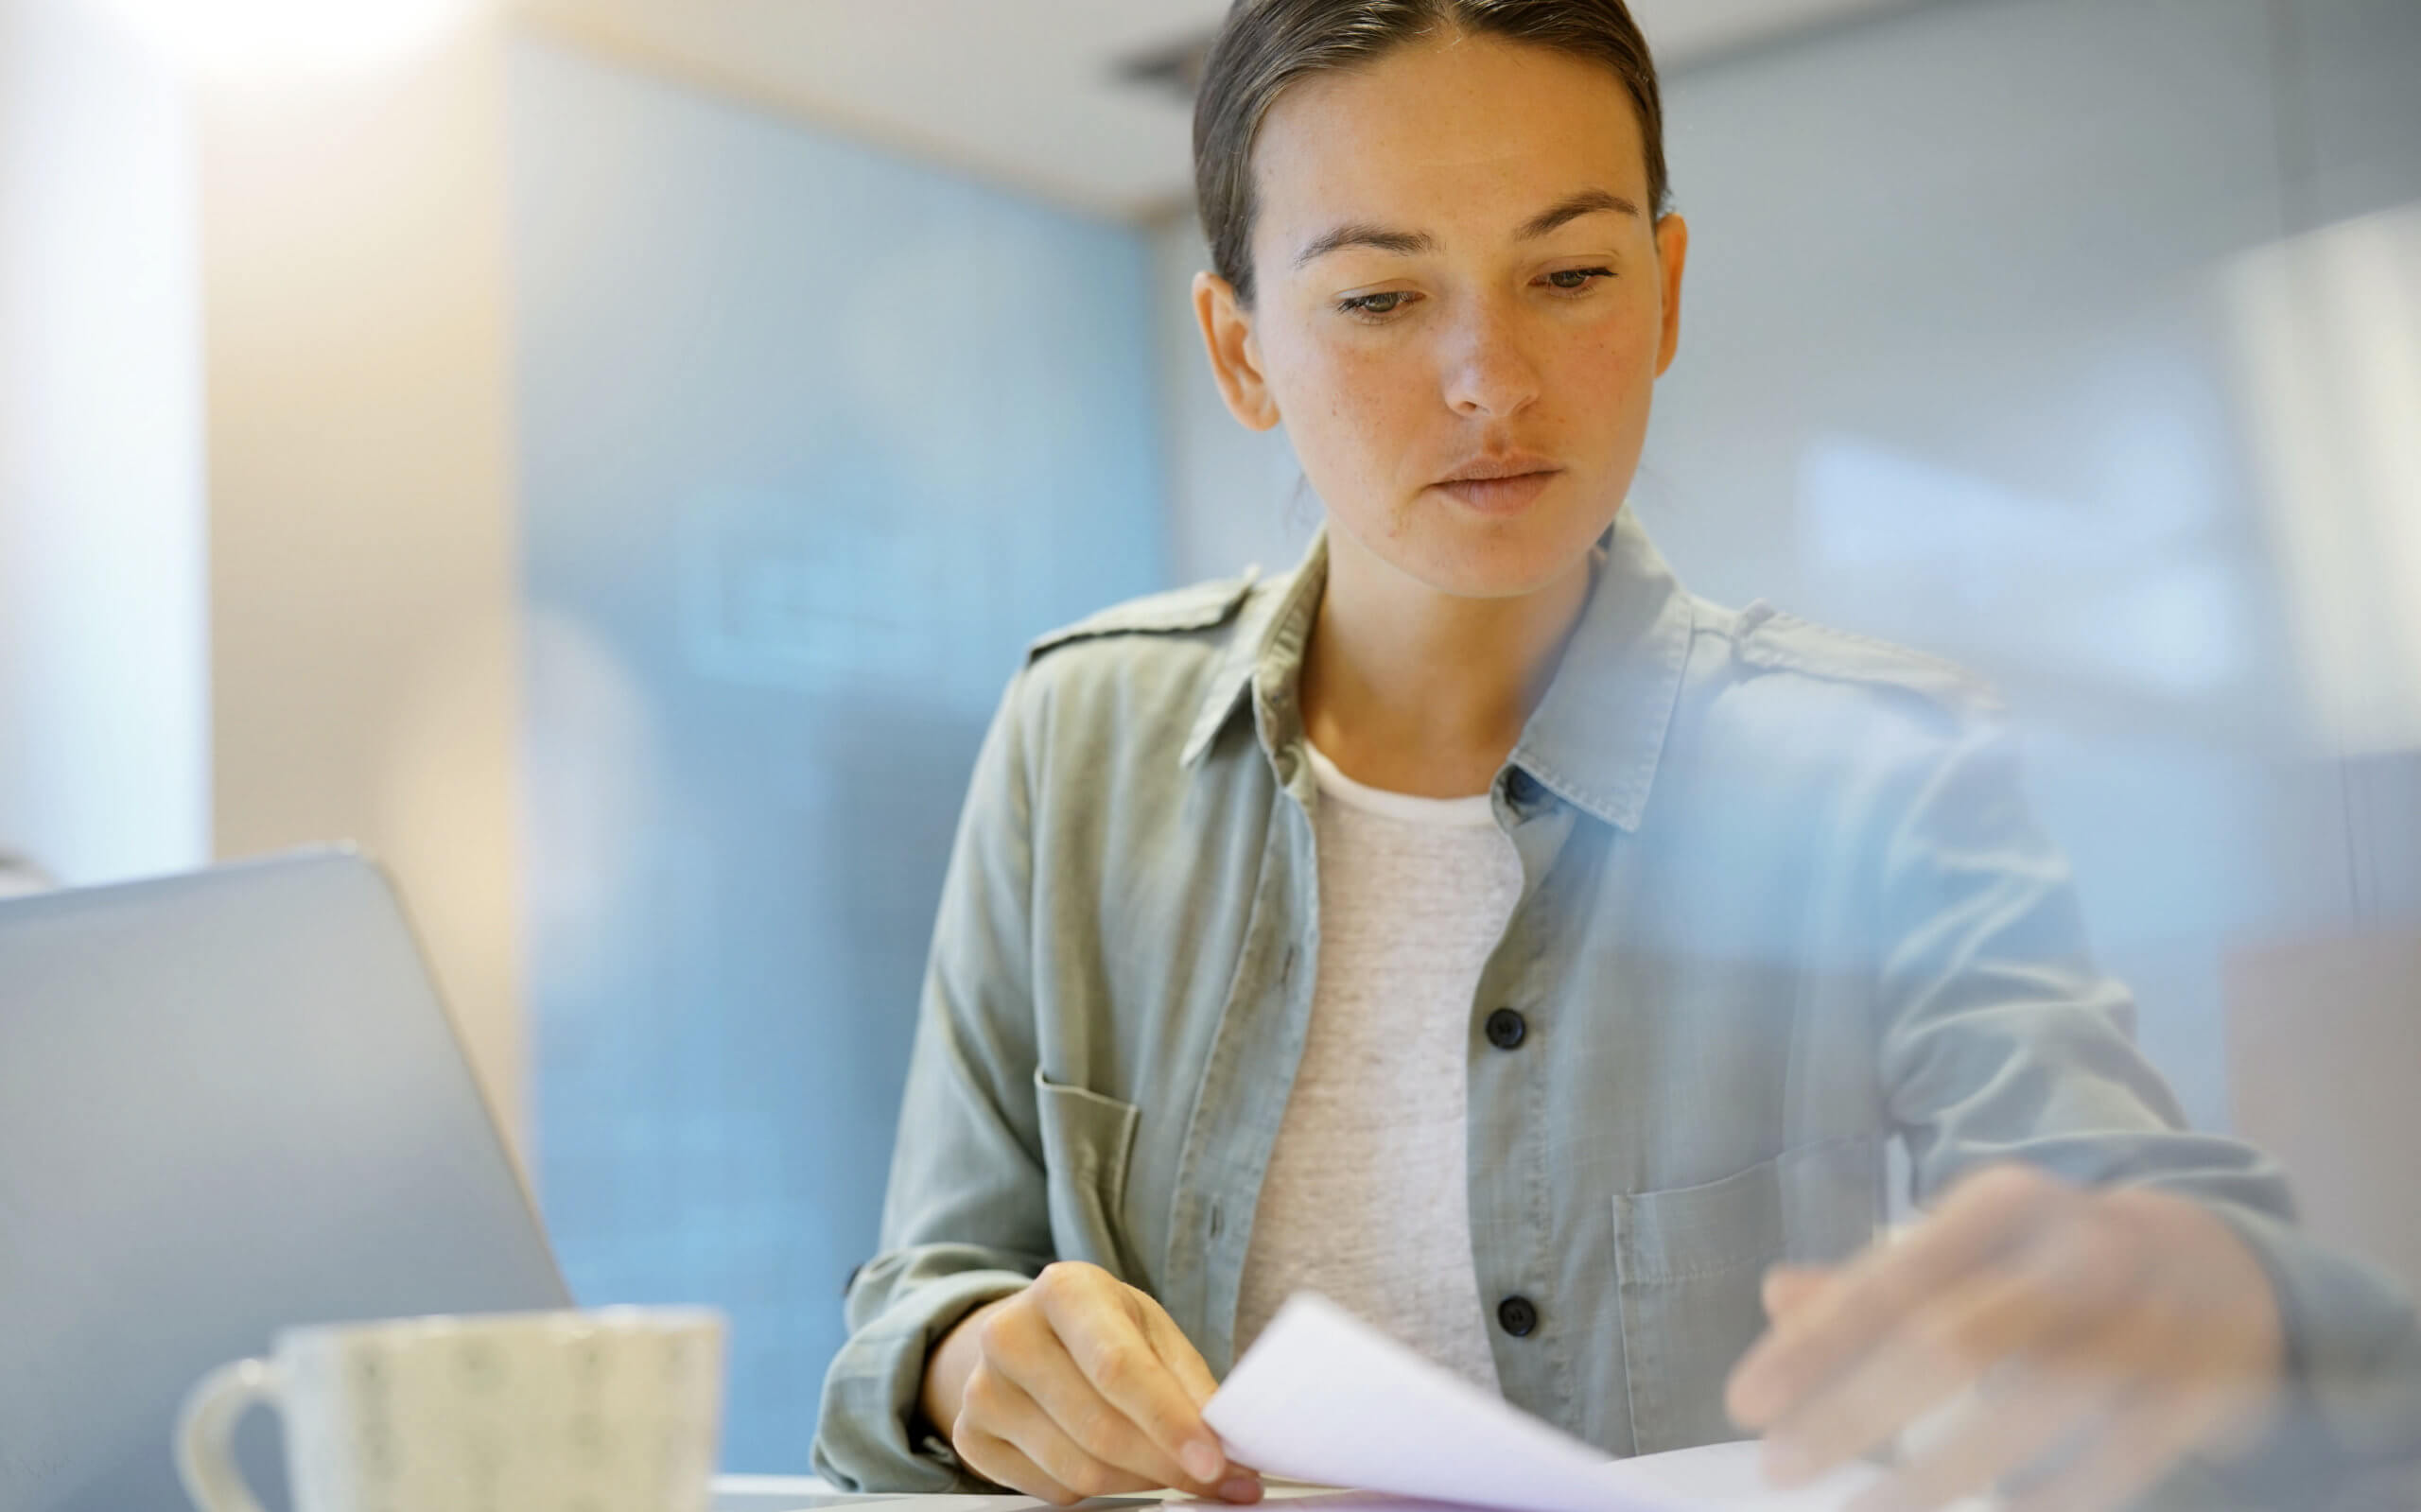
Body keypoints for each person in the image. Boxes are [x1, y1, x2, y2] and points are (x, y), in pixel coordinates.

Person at [813, 3, 2421, 1508]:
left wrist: (2205, 1305)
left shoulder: (1883, 769)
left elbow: (2149, 1246)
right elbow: (921, 1296)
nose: (1490, 383)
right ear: (1240, 352)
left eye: (1569, 277)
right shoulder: (1076, 738)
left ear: (1663, 289)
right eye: (1379, 298)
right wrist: (966, 1366)